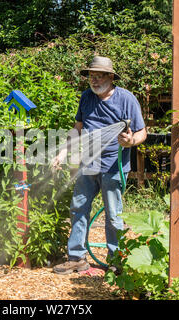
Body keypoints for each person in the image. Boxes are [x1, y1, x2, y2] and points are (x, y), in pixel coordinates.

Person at [51, 56, 147, 274]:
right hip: (88, 165)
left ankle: (116, 259)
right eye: (91, 77)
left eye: (98, 76)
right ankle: (76, 258)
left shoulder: (126, 99)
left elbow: (142, 132)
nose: (93, 81)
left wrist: (131, 141)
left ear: (111, 77)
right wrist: (63, 152)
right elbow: (77, 128)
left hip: (113, 166)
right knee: (78, 208)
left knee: (114, 214)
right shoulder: (86, 97)